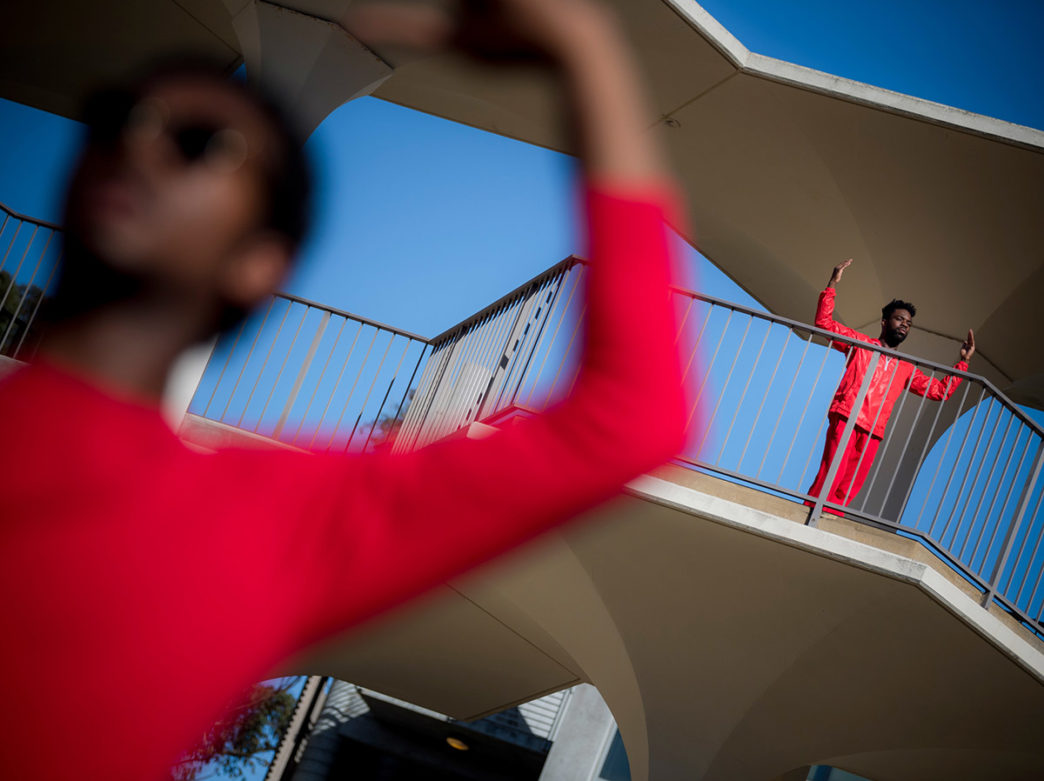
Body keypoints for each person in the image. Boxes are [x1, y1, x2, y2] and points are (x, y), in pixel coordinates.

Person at [0, 1, 692, 778]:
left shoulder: (265, 521)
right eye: (120, 117)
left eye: (199, 144)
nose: (141, 148)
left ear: (260, 263)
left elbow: (632, 418)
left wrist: (583, 48)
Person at [806, 258, 974, 514]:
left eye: (908, 323)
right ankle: (808, 514)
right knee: (832, 471)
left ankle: (829, 520)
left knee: (850, 484)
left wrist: (963, 363)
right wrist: (832, 285)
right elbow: (824, 323)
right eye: (899, 319)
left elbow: (939, 391)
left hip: (874, 428)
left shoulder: (906, 367)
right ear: (885, 322)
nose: (904, 325)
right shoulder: (860, 343)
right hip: (846, 415)